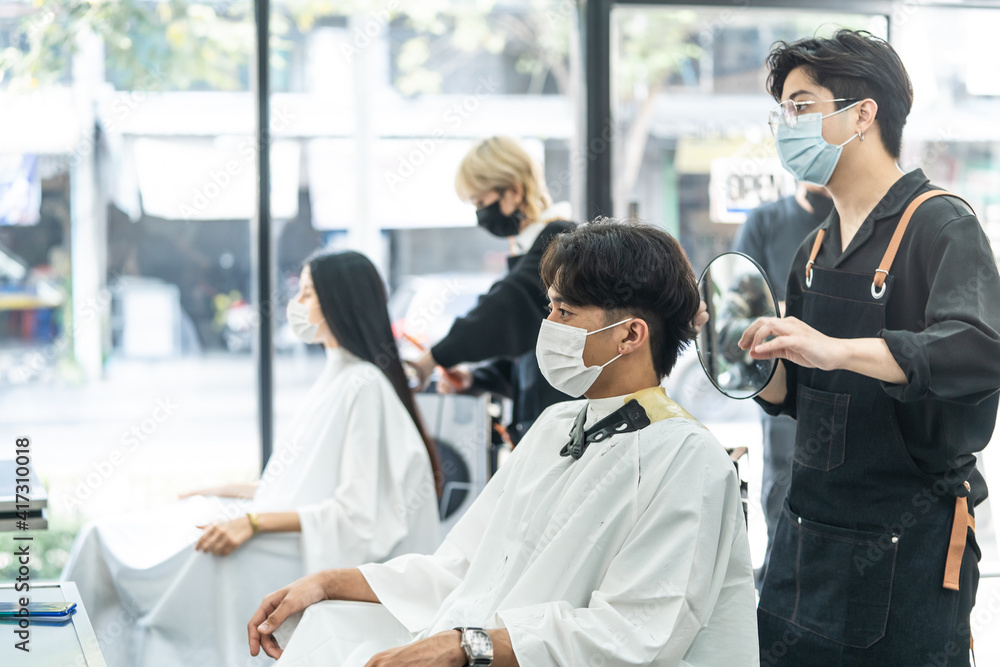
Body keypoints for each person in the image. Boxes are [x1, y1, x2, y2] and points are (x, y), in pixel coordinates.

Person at [246, 220, 758, 667]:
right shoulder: (558, 426)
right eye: (550, 307)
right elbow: (463, 569)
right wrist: (327, 583)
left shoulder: (688, 459)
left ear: (630, 336)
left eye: (565, 311)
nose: (548, 326)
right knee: (324, 628)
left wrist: (466, 646)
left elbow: (635, 632)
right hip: (480, 641)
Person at [740, 30, 1000, 665]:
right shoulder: (814, 249)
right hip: (804, 541)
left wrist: (836, 348)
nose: (787, 125)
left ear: (862, 114)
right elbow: (794, 396)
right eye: (783, 111)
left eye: (802, 105)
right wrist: (751, 353)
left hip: (906, 545)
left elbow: (977, 350)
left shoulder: (942, 224)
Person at [62, 250, 443, 667]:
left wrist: (252, 521)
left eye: (308, 293)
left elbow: (358, 516)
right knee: (135, 531)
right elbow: (307, 482)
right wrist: (228, 492)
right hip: (288, 530)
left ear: (339, 299)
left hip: (315, 555)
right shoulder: (339, 374)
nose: (297, 305)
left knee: (119, 544)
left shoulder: (363, 385)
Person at [408, 136, 574, 443]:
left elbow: (508, 306)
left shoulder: (560, 243)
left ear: (513, 191)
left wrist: (434, 358)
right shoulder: (529, 250)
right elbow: (531, 351)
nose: (479, 215)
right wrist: (476, 378)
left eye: (481, 203)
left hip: (565, 428)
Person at [732, 181, 833, 586]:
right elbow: (737, 313)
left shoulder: (867, 227)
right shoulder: (767, 222)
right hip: (788, 387)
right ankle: (778, 586)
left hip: (860, 390)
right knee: (783, 491)